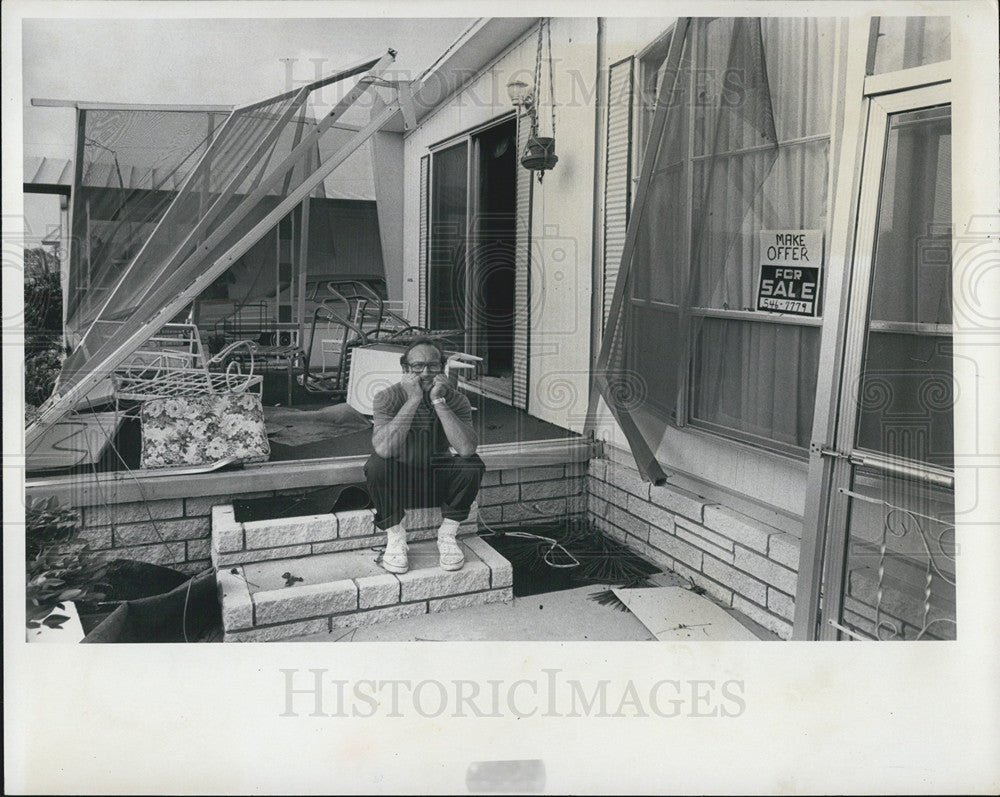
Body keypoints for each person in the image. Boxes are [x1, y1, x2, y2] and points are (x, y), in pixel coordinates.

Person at [364, 338, 484, 574]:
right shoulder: (387, 397)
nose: (426, 372)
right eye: (418, 366)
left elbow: (467, 449)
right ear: (405, 369)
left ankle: (448, 536)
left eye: (433, 365)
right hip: (400, 485)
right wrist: (414, 399)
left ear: (443, 368)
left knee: (472, 464)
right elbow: (384, 449)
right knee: (376, 464)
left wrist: (438, 401)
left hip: (437, 484)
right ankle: (396, 537)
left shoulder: (455, 399)